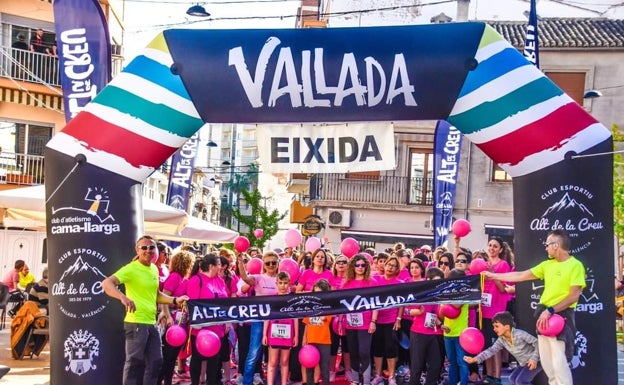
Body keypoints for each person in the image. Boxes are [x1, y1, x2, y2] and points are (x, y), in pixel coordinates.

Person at [483, 229, 585, 385]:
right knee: (548, 363)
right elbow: (520, 275)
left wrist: (550, 310)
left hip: (560, 316)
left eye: (548, 244)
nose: (546, 248)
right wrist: (494, 275)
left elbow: (574, 296)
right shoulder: (547, 265)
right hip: (544, 315)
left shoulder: (575, 265)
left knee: (559, 363)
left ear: (556, 245)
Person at [101, 235, 189, 385]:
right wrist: (123, 297)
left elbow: (155, 295)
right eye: (144, 247)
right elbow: (106, 283)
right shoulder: (131, 268)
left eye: (151, 247)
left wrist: (175, 300)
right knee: (134, 363)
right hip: (135, 322)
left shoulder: (154, 269)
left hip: (151, 322)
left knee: (156, 361)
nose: (148, 250)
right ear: (137, 250)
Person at [237, 250, 280, 385]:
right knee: (253, 352)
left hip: (277, 321)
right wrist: (240, 262)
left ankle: (275, 381)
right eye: (268, 263)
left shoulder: (282, 278)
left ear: (278, 263)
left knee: (276, 355)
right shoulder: (258, 278)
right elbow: (245, 278)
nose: (271, 265)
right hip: (259, 319)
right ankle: (247, 382)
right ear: (264, 265)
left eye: (274, 262)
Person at [464, 311, 542, 385]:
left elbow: (537, 343)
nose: (494, 329)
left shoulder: (520, 334)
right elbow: (491, 351)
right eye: (493, 326)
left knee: (520, 381)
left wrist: (534, 359)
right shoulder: (502, 339)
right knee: (512, 378)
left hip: (537, 361)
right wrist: (475, 359)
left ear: (507, 327)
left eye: (497, 326)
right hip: (525, 362)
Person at [187, 254, 230, 385]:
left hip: (217, 328)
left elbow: (226, 302)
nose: (221, 267)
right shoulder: (196, 280)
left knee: (214, 361)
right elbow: (191, 304)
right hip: (201, 329)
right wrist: (195, 322)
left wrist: (227, 321)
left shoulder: (220, 280)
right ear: (211, 266)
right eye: (218, 265)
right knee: (197, 358)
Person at [158, 250, 194, 385]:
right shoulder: (174, 277)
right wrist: (167, 317)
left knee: (172, 357)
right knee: (168, 356)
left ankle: (167, 381)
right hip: (172, 321)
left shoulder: (184, 278)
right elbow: (164, 298)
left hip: (181, 321)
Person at [342, 254, 379, 385]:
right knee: (353, 352)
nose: (360, 267)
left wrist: (373, 322)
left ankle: (367, 381)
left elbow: (376, 304)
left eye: (363, 265)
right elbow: (342, 306)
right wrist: (341, 322)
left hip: (366, 323)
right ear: (353, 266)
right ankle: (355, 380)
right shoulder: (346, 283)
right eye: (357, 265)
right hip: (350, 323)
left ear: (366, 267)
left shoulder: (372, 282)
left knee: (364, 351)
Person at [480, 236, 512, 384]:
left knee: (496, 345)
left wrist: (493, 275)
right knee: (487, 344)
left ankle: (497, 376)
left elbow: (503, 289)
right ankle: (489, 375)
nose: (492, 248)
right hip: (483, 310)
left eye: (495, 246)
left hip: (497, 311)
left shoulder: (503, 265)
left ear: (500, 249)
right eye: (490, 245)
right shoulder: (482, 264)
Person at [406, 266, 444, 385]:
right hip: (418, 333)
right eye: (436, 280)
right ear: (428, 279)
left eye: (440, 280)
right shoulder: (420, 292)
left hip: (431, 332)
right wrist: (417, 312)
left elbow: (433, 314)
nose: (438, 283)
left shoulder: (436, 294)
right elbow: (407, 310)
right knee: (417, 365)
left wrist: (441, 325)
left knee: (436, 363)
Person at [370, 255, 403, 385]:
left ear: (397, 269)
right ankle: (378, 375)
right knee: (377, 348)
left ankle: (391, 376)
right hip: (376, 320)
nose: (391, 267)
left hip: (391, 320)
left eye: (394, 266)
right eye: (389, 264)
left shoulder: (399, 284)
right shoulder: (375, 280)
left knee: (391, 349)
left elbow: (401, 303)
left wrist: (398, 319)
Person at [263, 272, 298, 385]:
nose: (283, 286)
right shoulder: (272, 299)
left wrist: (296, 335)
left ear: (289, 284)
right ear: (276, 283)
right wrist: (264, 334)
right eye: (281, 283)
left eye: (285, 283)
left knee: (284, 361)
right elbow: (267, 317)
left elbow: (295, 318)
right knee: (272, 361)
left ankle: (283, 383)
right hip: (273, 334)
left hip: (288, 333)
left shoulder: (292, 299)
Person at [302, 279, 332, 385]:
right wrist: (304, 338)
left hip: (324, 341)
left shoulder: (329, 307)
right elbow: (306, 323)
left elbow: (325, 318)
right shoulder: (309, 306)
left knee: (324, 368)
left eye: (320, 293)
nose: (317, 296)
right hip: (310, 340)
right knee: (309, 367)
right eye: (315, 292)